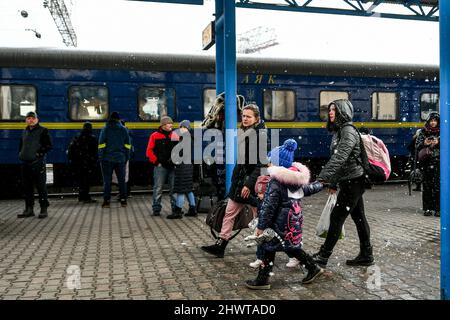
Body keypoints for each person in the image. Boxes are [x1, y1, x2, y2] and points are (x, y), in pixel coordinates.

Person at [245, 139, 324, 289]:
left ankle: (263, 279)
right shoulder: (295, 180)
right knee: (290, 247)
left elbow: (269, 206)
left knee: (272, 246)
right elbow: (308, 189)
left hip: (278, 222)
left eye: (270, 161)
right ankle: (312, 268)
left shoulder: (275, 182)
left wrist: (261, 226)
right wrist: (321, 184)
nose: (268, 164)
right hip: (292, 220)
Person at [314, 99, 374, 268]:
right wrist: (333, 182)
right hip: (350, 180)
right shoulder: (339, 130)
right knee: (359, 218)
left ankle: (324, 256)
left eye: (334, 110)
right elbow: (340, 160)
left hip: (354, 181)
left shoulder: (347, 130)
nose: (330, 113)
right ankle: (366, 254)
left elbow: (340, 157)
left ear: (343, 111)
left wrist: (323, 177)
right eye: (330, 110)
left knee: (337, 217)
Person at [201, 104, 267, 258]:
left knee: (261, 218)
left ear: (256, 119)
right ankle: (220, 245)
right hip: (240, 184)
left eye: (248, 116)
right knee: (229, 214)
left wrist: (248, 185)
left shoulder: (260, 136)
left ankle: (272, 248)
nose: (244, 119)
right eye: (243, 116)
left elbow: (261, 164)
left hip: (251, 185)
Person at [18, 111, 52, 219]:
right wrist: (20, 154)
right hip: (25, 163)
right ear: (26, 120)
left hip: (37, 163)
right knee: (27, 187)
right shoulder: (24, 131)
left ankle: (43, 209)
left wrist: (39, 154)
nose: (30, 120)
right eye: (28, 118)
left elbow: (48, 145)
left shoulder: (43, 131)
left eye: (32, 118)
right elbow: (21, 144)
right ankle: (29, 209)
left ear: (37, 120)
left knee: (41, 187)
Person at [98, 111, 131, 208]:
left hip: (107, 159)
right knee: (121, 181)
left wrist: (101, 157)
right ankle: (123, 201)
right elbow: (128, 145)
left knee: (107, 181)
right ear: (118, 119)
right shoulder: (123, 129)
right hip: (120, 159)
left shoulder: (105, 129)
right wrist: (126, 157)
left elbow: (101, 144)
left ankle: (106, 201)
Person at [146, 116, 178, 216]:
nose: (171, 125)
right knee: (158, 188)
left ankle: (175, 208)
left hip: (172, 166)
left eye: (171, 124)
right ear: (163, 125)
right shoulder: (154, 136)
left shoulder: (175, 136)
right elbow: (149, 151)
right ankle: (156, 208)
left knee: (173, 188)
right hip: (160, 166)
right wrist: (156, 162)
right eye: (169, 124)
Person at [168, 120, 197, 219]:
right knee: (188, 189)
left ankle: (178, 211)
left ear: (187, 128)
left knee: (180, 190)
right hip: (188, 167)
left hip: (182, 167)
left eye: (183, 127)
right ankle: (193, 209)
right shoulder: (189, 138)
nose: (181, 129)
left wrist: (171, 160)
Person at [415, 112, 440, 217]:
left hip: (439, 162)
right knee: (427, 186)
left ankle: (438, 209)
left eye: (435, 121)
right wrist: (424, 143)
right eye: (431, 121)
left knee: (438, 186)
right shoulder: (423, 132)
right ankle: (428, 208)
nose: (433, 123)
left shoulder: (442, 132)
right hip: (426, 162)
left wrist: (439, 143)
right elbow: (417, 146)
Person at [67, 122, 98, 203]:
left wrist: (73, 160)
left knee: (81, 180)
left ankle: (81, 196)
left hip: (78, 163)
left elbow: (71, 149)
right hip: (88, 163)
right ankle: (85, 196)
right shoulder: (92, 138)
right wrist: (94, 160)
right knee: (87, 181)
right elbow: (95, 151)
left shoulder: (77, 137)